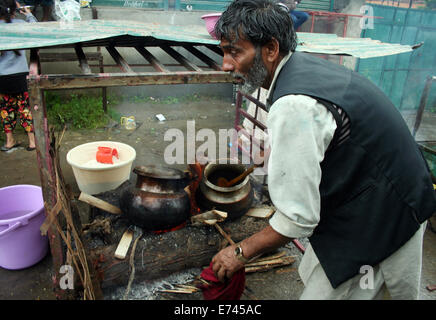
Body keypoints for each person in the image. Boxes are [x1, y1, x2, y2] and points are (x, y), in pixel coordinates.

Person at [211, 0, 436, 299]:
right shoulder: (300, 66)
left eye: (235, 52)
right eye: (224, 51)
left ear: (270, 49)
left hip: (386, 212)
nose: (226, 64)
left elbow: (298, 218)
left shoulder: (294, 104)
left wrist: (239, 251)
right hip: (388, 190)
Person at [0, 0, 37, 152]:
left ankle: (9, 141)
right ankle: (32, 141)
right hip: (20, 75)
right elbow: (37, 29)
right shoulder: (19, 24)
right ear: (14, 10)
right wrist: (29, 15)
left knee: (5, 109)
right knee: (25, 108)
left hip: (2, 77)